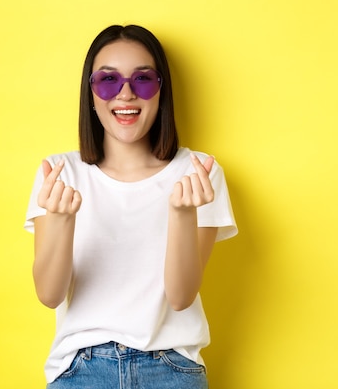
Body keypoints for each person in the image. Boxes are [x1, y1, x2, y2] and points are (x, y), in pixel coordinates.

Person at [24, 24, 237, 389]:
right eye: (108, 80)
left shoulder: (198, 172)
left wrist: (182, 214)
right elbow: (49, 294)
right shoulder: (60, 172)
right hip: (81, 368)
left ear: (160, 91)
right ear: (90, 93)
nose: (125, 94)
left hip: (171, 368)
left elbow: (182, 296)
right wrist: (60, 220)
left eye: (142, 80)